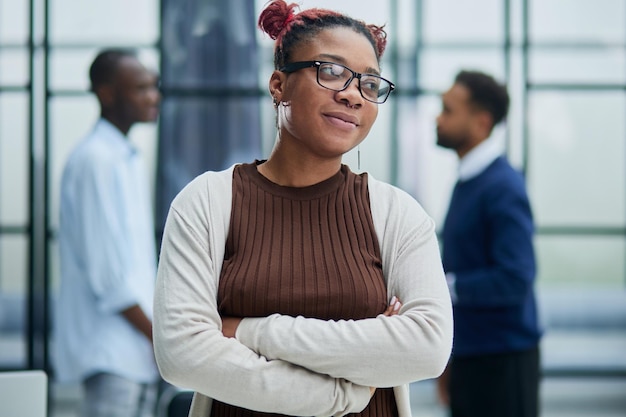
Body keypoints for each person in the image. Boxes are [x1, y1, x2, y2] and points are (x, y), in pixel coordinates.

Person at [153, 1, 453, 417]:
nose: (352, 94)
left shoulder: (397, 214)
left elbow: (427, 348)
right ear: (279, 85)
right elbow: (182, 353)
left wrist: (248, 330)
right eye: (330, 71)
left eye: (369, 83)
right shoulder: (207, 202)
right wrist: (339, 395)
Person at [54, 48, 161, 417]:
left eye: (154, 86)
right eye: (141, 88)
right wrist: (159, 336)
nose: (153, 96)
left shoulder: (123, 157)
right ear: (107, 94)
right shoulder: (95, 160)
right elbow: (108, 277)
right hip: (110, 353)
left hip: (135, 355)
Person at [435, 70, 542, 417]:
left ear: (481, 122)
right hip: (472, 354)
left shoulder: (502, 187)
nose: (438, 118)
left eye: (449, 110)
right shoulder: (469, 180)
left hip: (501, 362)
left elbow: (515, 278)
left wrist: (443, 288)